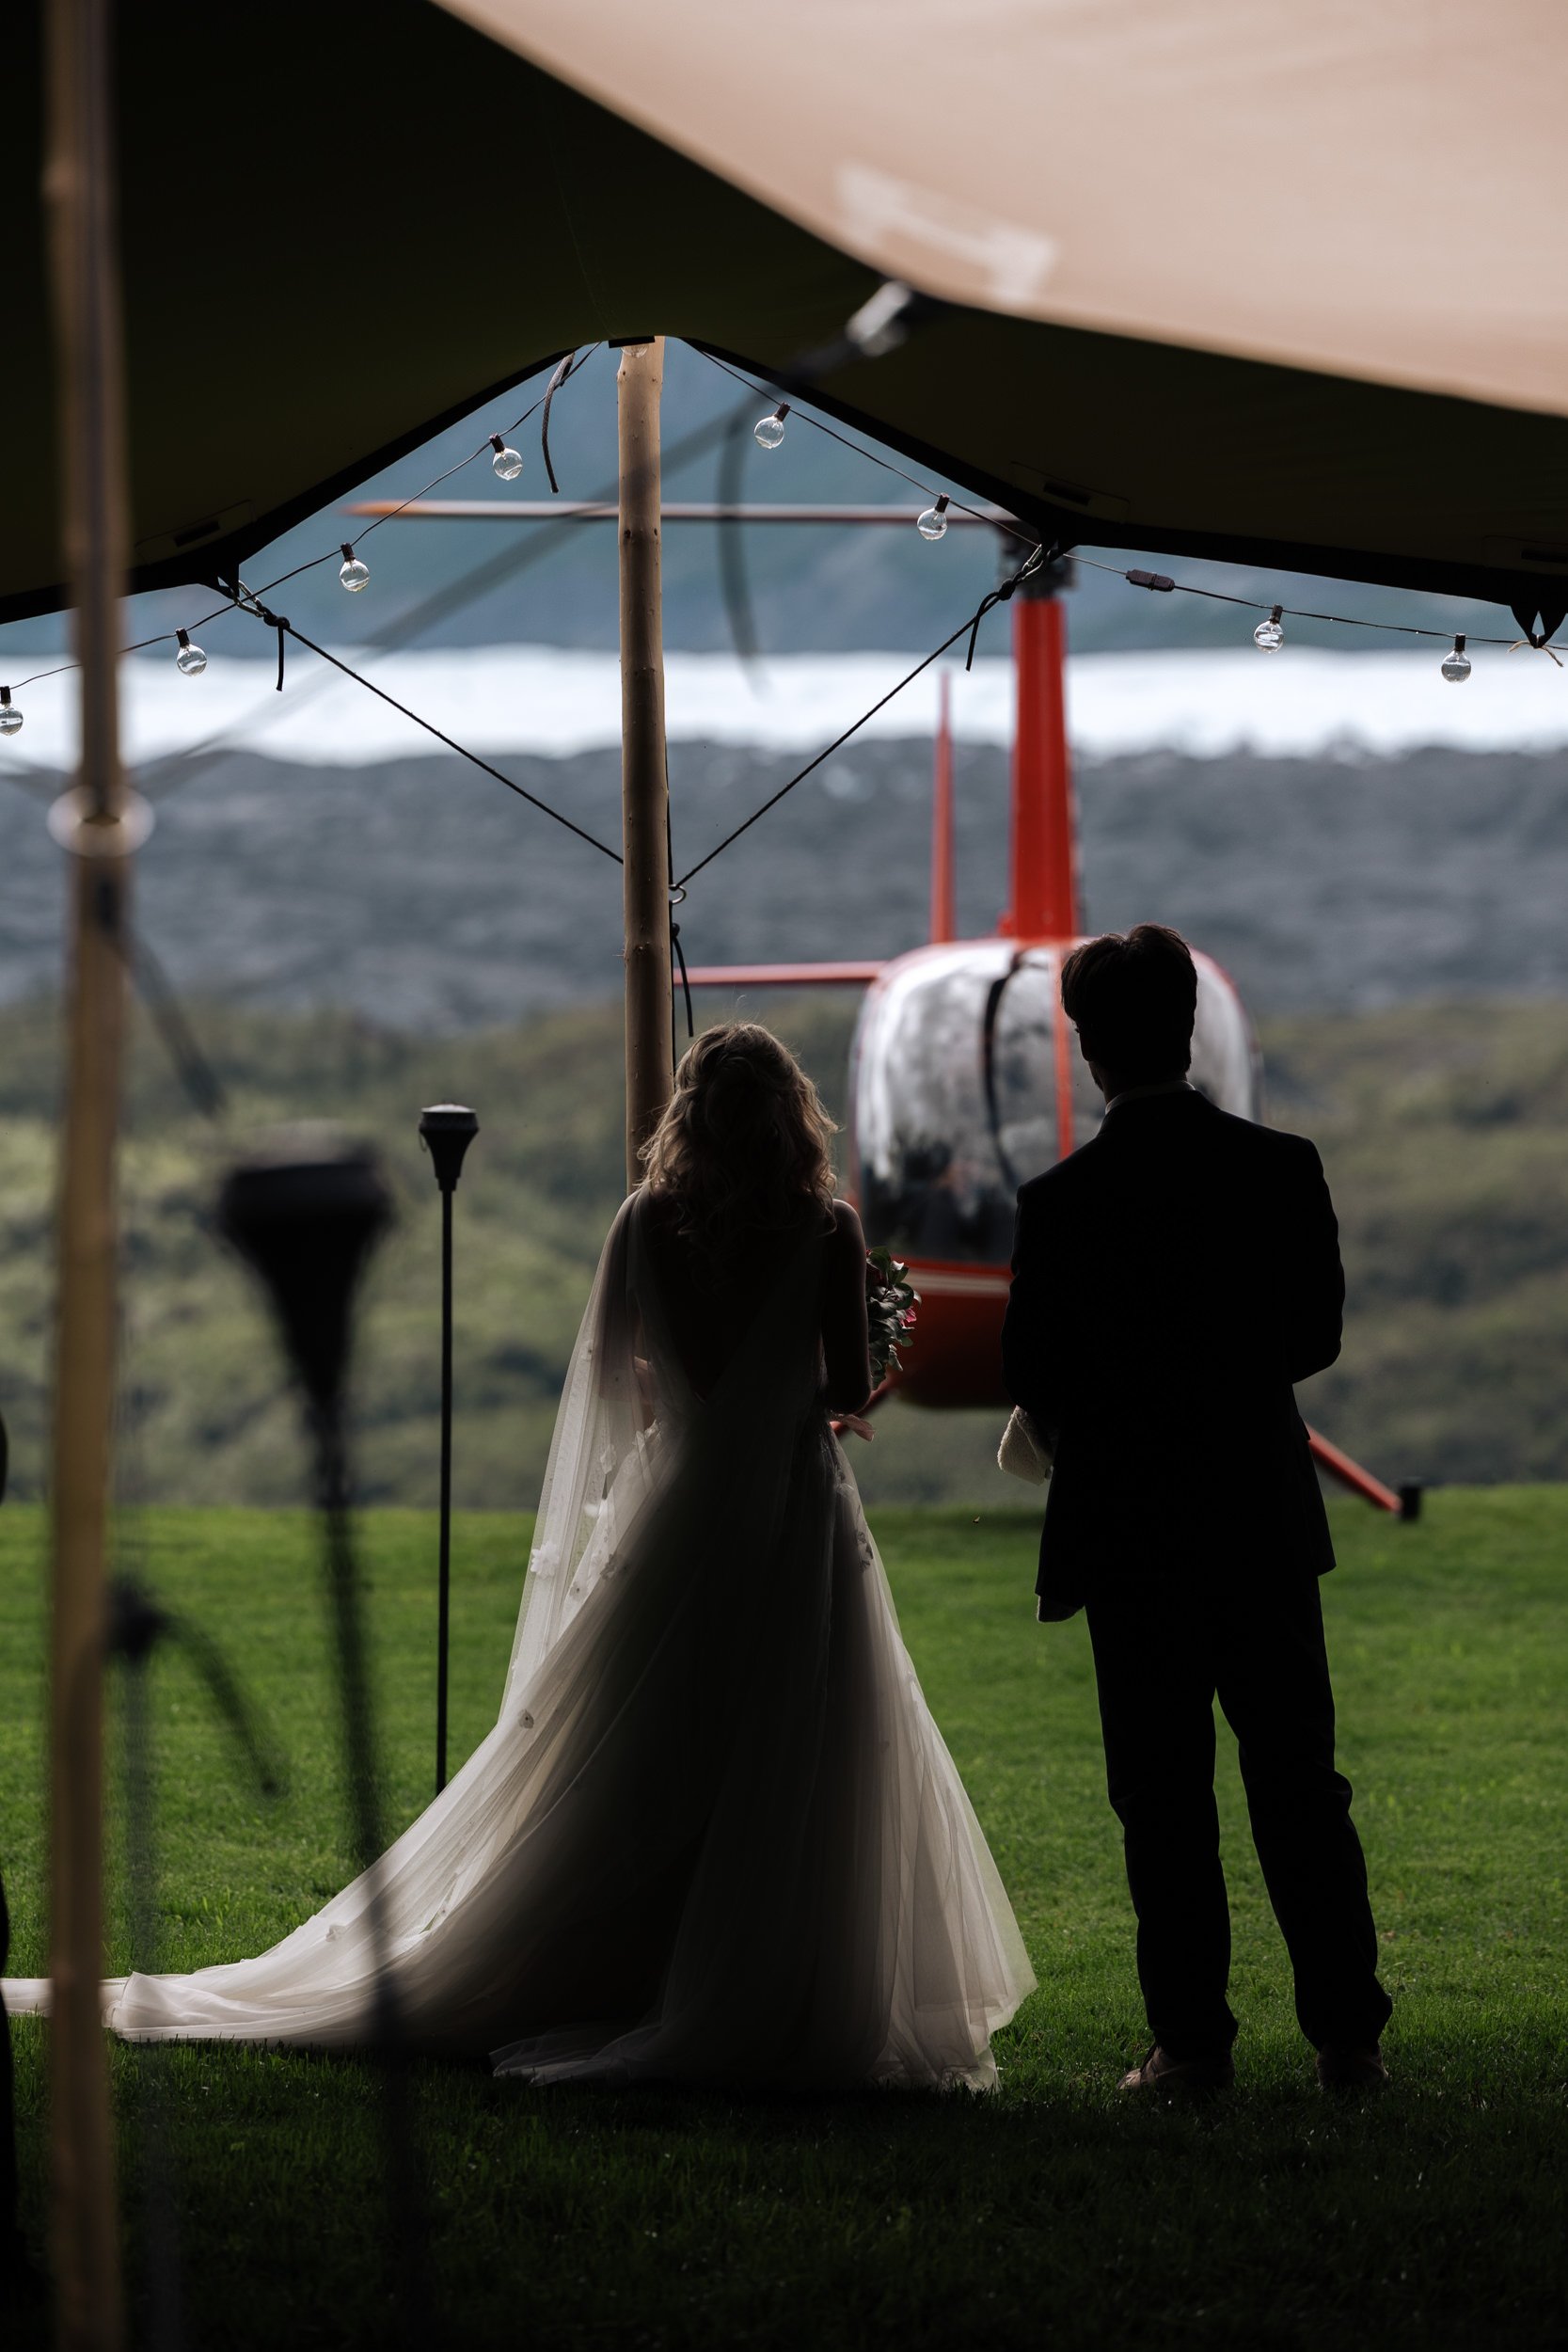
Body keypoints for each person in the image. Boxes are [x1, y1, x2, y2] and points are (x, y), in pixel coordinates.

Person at [8, 1025, 1031, 2090]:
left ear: (689, 1113)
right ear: (790, 1113)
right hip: (791, 1506)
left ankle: (617, 1955)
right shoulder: (827, 1228)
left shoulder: (646, 1222)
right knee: (800, 1730)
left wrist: (696, 1419)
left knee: (650, 1737)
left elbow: (625, 1376)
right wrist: (819, 1373)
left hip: (678, 1504)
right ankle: (771, 1967)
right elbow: (842, 1386)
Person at [1002, 925, 1391, 2095]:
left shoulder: (1059, 1202)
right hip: (1258, 1515)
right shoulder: (1282, 1166)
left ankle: (1189, 2044)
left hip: (1127, 1529)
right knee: (1299, 1783)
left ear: (1089, 1051)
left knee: (1161, 1799)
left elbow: (1036, 1368)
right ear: (1186, 1031)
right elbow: (1311, 1336)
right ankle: (1345, 2038)